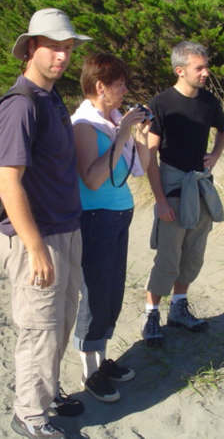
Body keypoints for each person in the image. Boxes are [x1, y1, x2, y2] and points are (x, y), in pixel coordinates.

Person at [0, 8, 91, 439]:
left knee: (61, 320)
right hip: (36, 237)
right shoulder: (21, 105)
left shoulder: (50, 98)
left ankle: (46, 394)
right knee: (39, 328)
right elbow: (7, 181)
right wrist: (34, 247)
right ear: (31, 48)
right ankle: (29, 415)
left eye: (67, 48)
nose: (62, 56)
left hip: (64, 228)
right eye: (53, 47)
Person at [70, 53, 150, 402]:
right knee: (96, 293)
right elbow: (92, 178)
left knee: (113, 290)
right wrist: (122, 134)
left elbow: (139, 168)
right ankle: (90, 371)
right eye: (119, 84)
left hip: (118, 214)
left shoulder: (113, 120)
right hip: (95, 217)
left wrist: (140, 135)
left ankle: (101, 361)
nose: (125, 90)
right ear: (100, 86)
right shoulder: (83, 125)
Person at [141, 41, 224, 347]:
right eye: (199, 68)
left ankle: (178, 308)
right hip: (173, 185)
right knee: (168, 256)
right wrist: (160, 201)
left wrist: (214, 155)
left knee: (193, 253)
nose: (206, 72)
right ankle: (151, 315)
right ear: (180, 71)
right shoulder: (161, 104)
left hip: (201, 185)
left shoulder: (208, 101)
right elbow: (150, 156)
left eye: (206, 66)